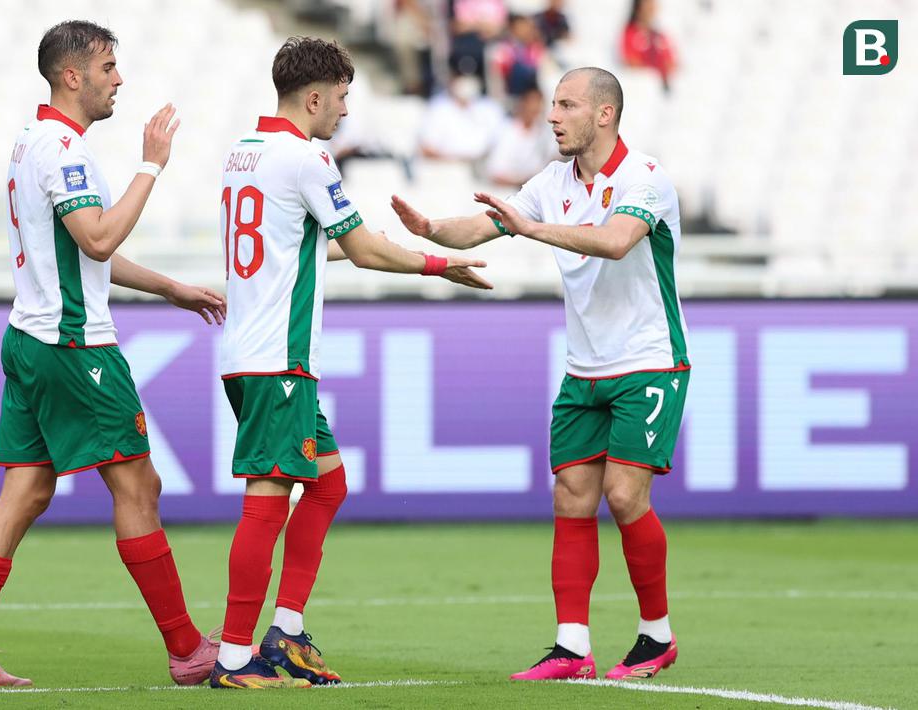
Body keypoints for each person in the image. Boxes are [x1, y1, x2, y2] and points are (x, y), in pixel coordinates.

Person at [0, 20, 226, 688]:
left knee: (27, 489)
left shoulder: (30, 142)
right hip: (73, 345)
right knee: (138, 485)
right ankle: (186, 649)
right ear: (73, 76)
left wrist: (168, 288)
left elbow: (80, 249)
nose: (118, 78)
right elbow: (94, 240)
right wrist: (151, 164)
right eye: (107, 67)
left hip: (28, 338)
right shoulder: (64, 150)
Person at [211, 36, 492, 690]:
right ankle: (232, 658)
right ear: (313, 97)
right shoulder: (308, 157)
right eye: (340, 98)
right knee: (268, 498)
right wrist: (438, 263)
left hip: (252, 353)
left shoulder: (242, 153)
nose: (343, 112)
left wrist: (388, 246)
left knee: (328, 484)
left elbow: (304, 248)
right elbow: (362, 250)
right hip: (277, 358)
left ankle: (284, 633)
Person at [391, 66, 689, 681]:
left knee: (624, 494)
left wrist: (529, 227)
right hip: (585, 369)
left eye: (567, 105)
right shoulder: (552, 181)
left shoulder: (644, 177)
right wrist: (430, 231)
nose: (552, 116)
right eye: (553, 105)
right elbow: (483, 225)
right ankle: (572, 647)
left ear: (604, 114)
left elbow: (615, 241)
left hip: (648, 360)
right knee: (571, 497)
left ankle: (655, 635)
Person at [484, 83, 558, 188]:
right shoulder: (506, 131)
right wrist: (522, 183)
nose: (536, 108)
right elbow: (495, 173)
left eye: (539, 103)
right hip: (507, 192)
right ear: (522, 104)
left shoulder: (546, 132)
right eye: (532, 103)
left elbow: (553, 161)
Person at [418, 72, 504, 162]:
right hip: (448, 167)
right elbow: (426, 149)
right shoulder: (437, 107)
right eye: (461, 78)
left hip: (484, 165)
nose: (466, 83)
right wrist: (458, 160)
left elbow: (503, 142)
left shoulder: (490, 106)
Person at [622, 0, 677, 90]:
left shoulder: (660, 36)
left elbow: (671, 62)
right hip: (641, 88)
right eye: (648, 3)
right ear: (638, 6)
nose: (652, 7)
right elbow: (631, 63)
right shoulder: (630, 33)